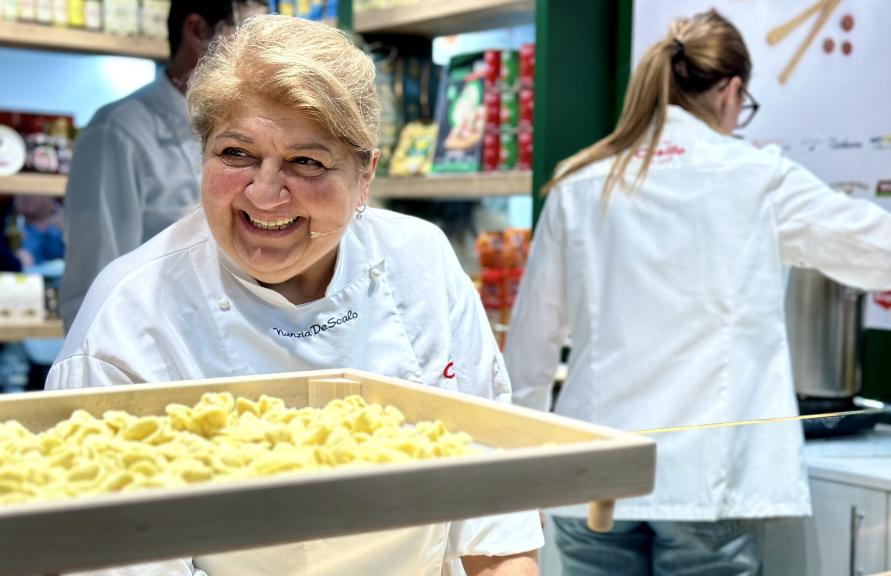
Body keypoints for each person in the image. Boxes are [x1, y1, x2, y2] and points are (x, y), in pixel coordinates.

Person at [47, 14, 541, 576]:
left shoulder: (419, 259)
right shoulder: (130, 315)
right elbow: (115, 558)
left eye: (306, 162)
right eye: (236, 154)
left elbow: (494, 514)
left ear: (365, 176)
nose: (265, 193)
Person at [504, 12, 891, 576]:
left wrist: (518, 484)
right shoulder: (757, 176)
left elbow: (532, 351)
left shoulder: (581, 181)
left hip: (593, 474)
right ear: (732, 92)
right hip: (707, 478)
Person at [59, 0, 268, 330]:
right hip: (151, 349)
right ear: (199, 31)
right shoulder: (117, 130)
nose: (263, 56)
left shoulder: (254, 128)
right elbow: (92, 283)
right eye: (250, 37)